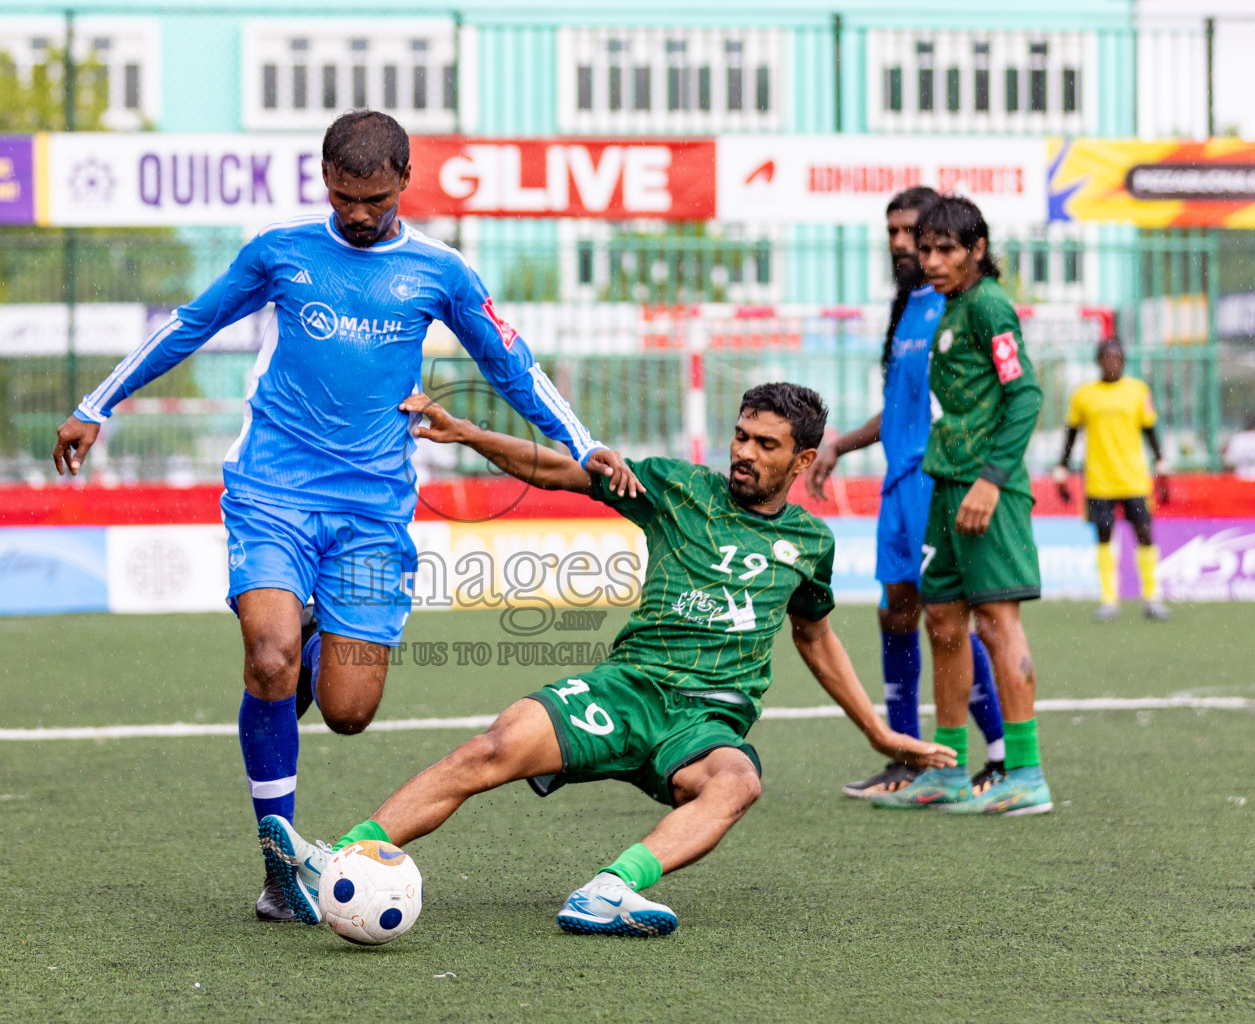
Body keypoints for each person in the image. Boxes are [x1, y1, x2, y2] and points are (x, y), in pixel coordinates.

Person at [52, 111, 637, 921]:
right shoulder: (281, 251)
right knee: (267, 657)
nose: (357, 213)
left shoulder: (440, 271)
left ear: (404, 180)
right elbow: (192, 323)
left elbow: (511, 364)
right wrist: (97, 404)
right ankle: (279, 862)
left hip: (371, 512)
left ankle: (310, 646)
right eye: (342, 195)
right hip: (272, 492)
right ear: (323, 178)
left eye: (374, 197)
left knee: (349, 713)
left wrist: (584, 441)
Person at [261, 383, 955, 937]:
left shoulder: (810, 542)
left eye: (766, 445)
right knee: (495, 746)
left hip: (703, 724)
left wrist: (878, 733)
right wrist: (469, 434)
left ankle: (611, 888)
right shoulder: (678, 488)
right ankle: (338, 862)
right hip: (624, 691)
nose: (744, 452)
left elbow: (817, 636)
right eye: (741, 435)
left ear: (803, 461)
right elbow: (561, 471)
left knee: (737, 781)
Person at [806, 187, 1007, 799]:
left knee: (943, 615)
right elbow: (901, 410)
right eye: (891, 232)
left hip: (935, 480)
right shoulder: (908, 308)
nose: (899, 244)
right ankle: (906, 756)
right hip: (897, 483)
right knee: (896, 611)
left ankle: (998, 754)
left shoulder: (959, 306)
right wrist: (841, 444)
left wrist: (987, 476)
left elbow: (997, 395)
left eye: (911, 232)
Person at [873, 195, 1054, 816]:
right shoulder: (949, 307)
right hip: (943, 484)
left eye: (944, 249)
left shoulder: (990, 305)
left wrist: (992, 480)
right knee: (943, 623)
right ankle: (947, 771)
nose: (930, 260)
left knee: (996, 624)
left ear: (976, 249)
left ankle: (1025, 773)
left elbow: (1025, 393)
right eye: (924, 249)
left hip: (984, 491)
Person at [1054, 339, 1171, 621]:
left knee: (1144, 533)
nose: (1111, 362)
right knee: (1104, 536)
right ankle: (1109, 599)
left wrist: (1162, 465)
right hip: (1099, 480)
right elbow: (1071, 435)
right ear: (1098, 361)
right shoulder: (1084, 395)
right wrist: (1062, 469)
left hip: (1133, 478)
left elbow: (1150, 430)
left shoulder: (1137, 391)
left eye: (1116, 357)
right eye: (1106, 357)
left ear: (1123, 361)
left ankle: (1152, 597)